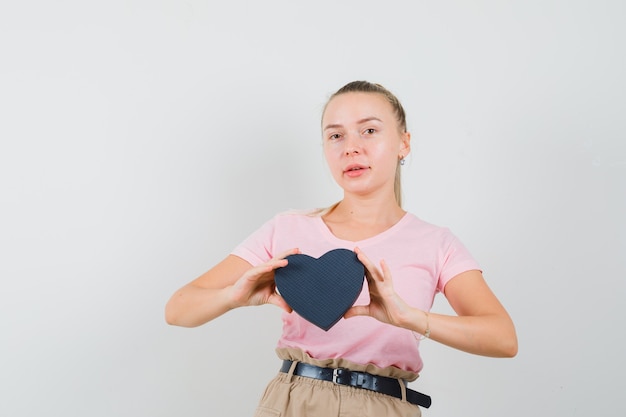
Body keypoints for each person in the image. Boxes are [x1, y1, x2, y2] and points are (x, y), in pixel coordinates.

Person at [165, 80, 518, 417]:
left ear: (403, 143)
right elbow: (178, 309)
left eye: (369, 130)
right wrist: (233, 296)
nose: (351, 147)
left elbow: (503, 338)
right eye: (336, 135)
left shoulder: (436, 242)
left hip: (385, 406)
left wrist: (409, 318)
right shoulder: (287, 228)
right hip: (292, 400)